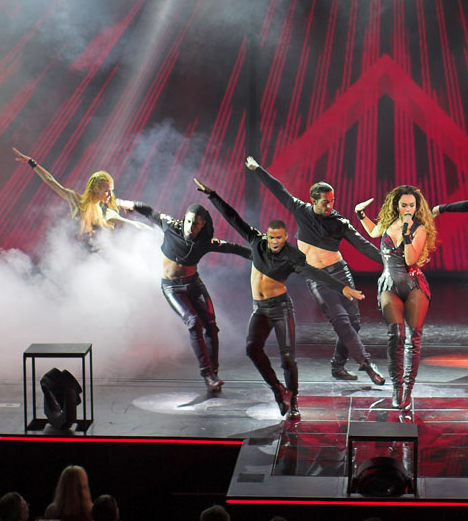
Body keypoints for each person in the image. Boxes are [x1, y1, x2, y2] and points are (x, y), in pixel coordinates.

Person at [202, 178, 366, 419]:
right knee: (252, 349)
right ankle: (279, 391)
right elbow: (233, 218)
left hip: (281, 309)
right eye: (272, 238)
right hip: (260, 309)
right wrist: (213, 195)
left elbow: (315, 273)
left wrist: (342, 289)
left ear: (285, 237)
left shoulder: (292, 256)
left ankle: (294, 400)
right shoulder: (257, 242)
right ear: (267, 237)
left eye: (280, 238)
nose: (275, 242)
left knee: (287, 356)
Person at [246, 155, 386, 385]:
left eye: (332, 201)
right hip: (318, 280)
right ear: (313, 201)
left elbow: (363, 246)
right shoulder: (301, 210)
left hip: (340, 273)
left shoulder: (339, 222)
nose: (330, 206)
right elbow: (279, 190)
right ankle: (367, 364)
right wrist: (258, 169)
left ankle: (338, 365)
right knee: (341, 321)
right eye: (324, 202)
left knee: (354, 323)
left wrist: (389, 262)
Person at [143, 200, 251, 393]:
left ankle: (214, 373)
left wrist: (260, 255)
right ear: (184, 219)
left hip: (193, 284)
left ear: (202, 226)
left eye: (196, 224)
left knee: (211, 327)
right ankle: (207, 374)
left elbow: (234, 248)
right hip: (172, 288)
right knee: (193, 322)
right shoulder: (170, 226)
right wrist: (129, 204)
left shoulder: (204, 242)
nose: (191, 227)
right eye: (189, 222)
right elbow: (150, 211)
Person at [355, 185, 440, 413]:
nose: (408, 209)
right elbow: (373, 232)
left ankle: (407, 391)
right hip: (389, 284)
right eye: (404, 205)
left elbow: (410, 260)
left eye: (412, 205)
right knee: (396, 335)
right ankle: (396, 387)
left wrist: (407, 233)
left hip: (413, 285)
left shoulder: (419, 229)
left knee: (413, 337)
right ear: (397, 205)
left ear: (417, 207)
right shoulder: (388, 224)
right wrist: (360, 214)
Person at [13, 151, 152, 249]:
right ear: (96, 189)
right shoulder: (75, 200)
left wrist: (157, 231)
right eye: (107, 191)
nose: (110, 195)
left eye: (111, 191)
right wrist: (32, 163)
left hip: (94, 262)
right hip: (72, 258)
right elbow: (50, 180)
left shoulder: (106, 213)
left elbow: (133, 225)